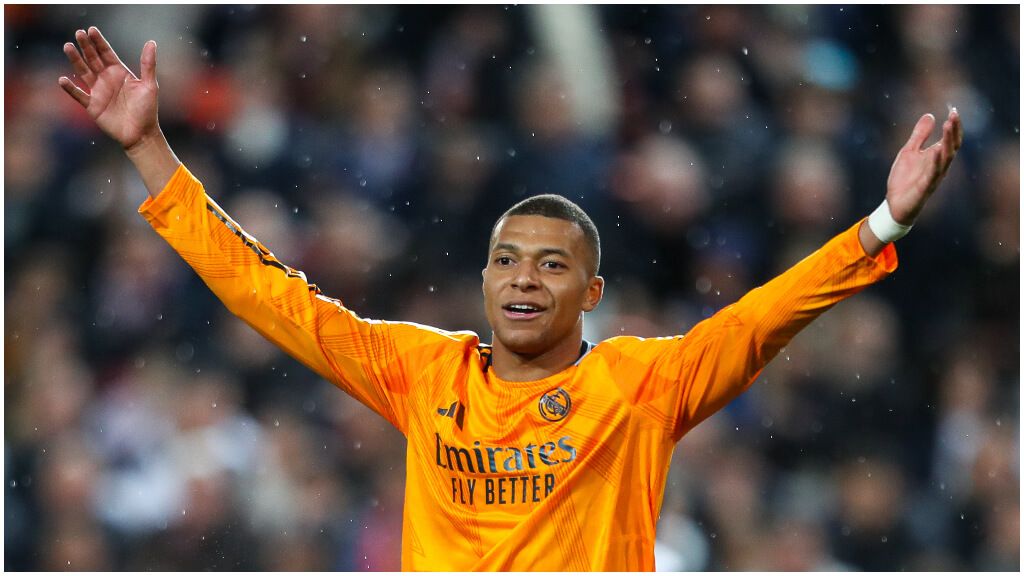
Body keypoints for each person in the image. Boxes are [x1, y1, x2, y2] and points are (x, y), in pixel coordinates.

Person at [59, 27, 963, 571]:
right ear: (485, 279)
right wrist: (149, 155)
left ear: (592, 291)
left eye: (550, 265)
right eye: (506, 260)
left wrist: (883, 221)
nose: (523, 278)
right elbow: (265, 292)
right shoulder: (421, 371)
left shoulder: (640, 386)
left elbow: (765, 317)